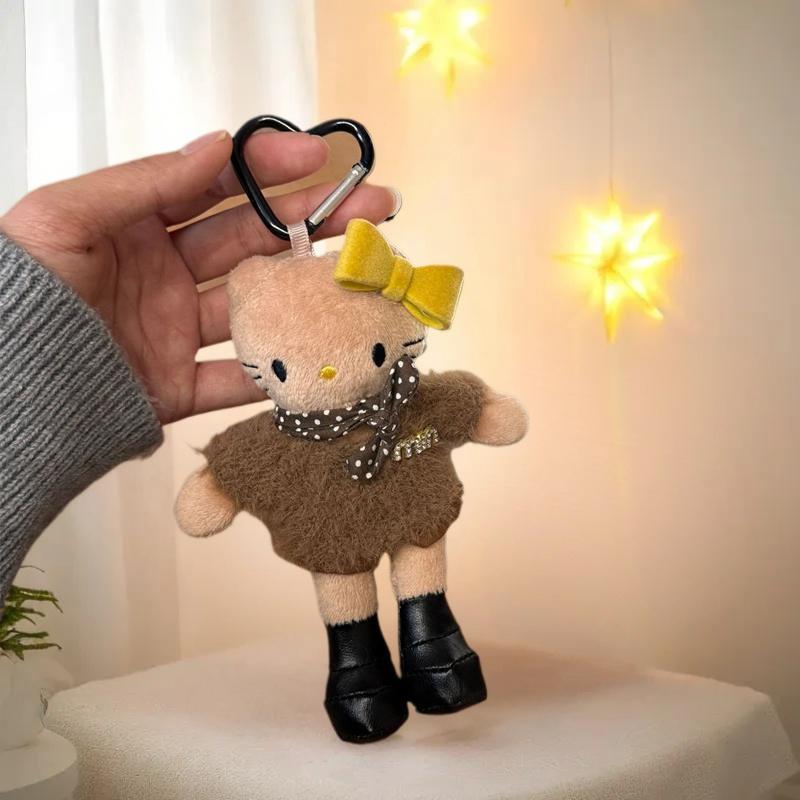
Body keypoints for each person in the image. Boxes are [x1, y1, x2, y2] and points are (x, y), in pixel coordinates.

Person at [0, 129, 399, 604]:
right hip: (325, 541)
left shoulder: (400, 402)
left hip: (402, 516)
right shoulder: (281, 431)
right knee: (344, 588)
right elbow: (238, 467)